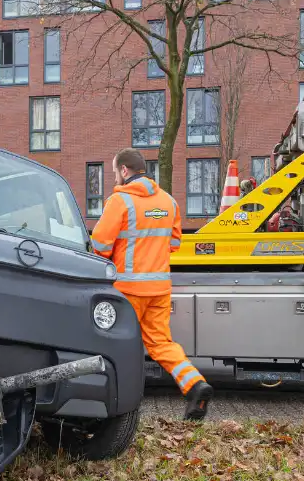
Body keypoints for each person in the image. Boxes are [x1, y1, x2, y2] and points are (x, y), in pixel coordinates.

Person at [90, 148, 214, 420]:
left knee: (114, 345)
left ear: (124, 171)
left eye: (114, 171)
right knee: (160, 343)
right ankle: (194, 384)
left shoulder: (119, 201)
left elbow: (99, 245)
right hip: (159, 289)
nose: (115, 177)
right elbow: (174, 244)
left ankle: (116, 406)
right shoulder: (169, 202)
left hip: (127, 291)